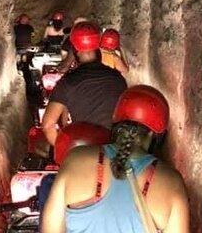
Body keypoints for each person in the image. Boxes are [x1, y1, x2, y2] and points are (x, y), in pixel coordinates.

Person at [41, 85, 190, 233]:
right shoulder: (172, 182)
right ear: (154, 135)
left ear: (116, 123)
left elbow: (50, 229)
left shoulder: (75, 158)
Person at [42, 21, 127, 146]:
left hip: (84, 151)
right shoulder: (118, 79)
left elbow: (48, 125)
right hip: (114, 151)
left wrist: (65, 154)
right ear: (99, 46)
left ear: (75, 50)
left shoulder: (67, 82)